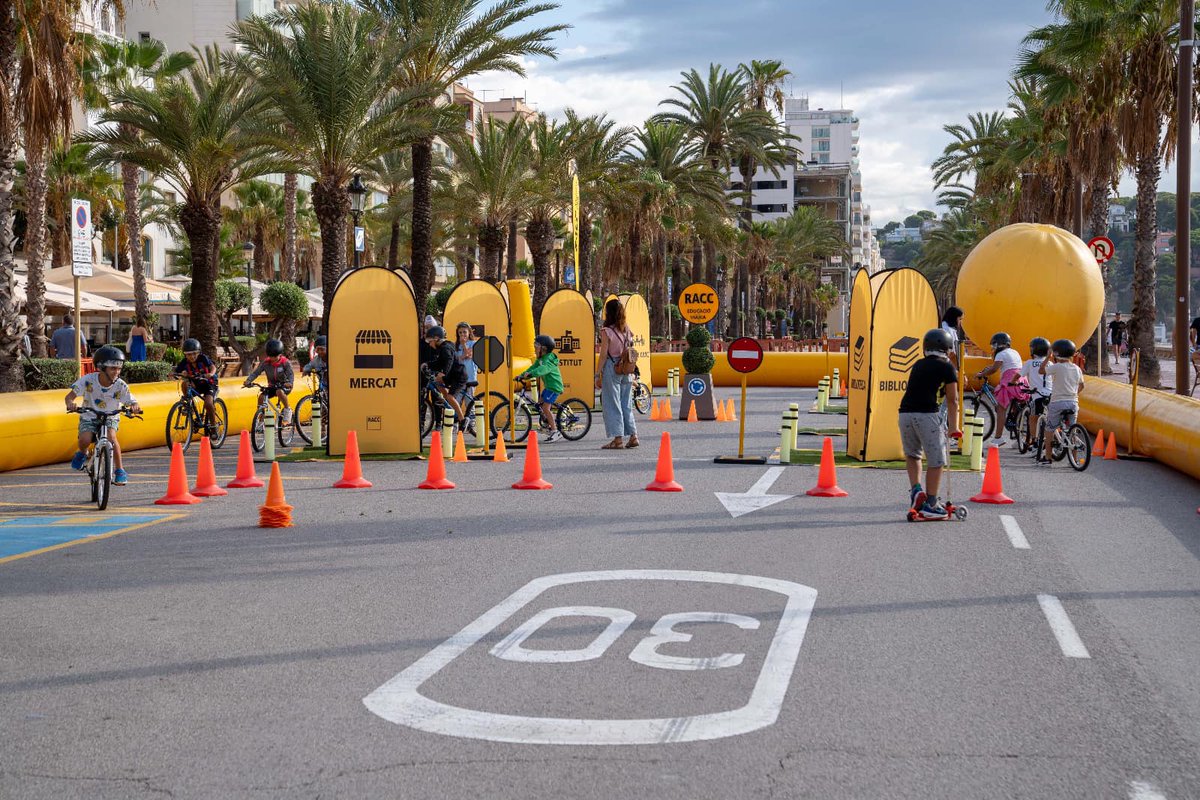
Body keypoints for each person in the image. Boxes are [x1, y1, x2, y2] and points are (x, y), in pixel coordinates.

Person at [898, 328, 961, 519]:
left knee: (913, 454)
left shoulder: (918, 364)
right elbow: (953, 399)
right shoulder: (947, 366)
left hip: (905, 414)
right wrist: (954, 427)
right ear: (947, 348)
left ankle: (916, 492)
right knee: (937, 461)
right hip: (926, 415)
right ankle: (931, 503)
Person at [65, 345, 141, 486]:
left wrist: (135, 406)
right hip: (90, 415)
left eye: (119, 368)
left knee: (112, 438)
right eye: (112, 368)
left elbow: (131, 400)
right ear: (101, 367)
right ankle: (82, 453)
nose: (116, 372)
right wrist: (70, 403)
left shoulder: (121, 385)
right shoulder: (88, 380)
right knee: (85, 439)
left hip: (111, 416)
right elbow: (69, 397)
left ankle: (119, 471)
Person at [597, 298, 638, 449]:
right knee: (626, 403)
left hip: (612, 367)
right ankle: (633, 436)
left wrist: (597, 374)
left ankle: (618, 439)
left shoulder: (607, 331)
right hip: (626, 368)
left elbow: (603, 355)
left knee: (612, 404)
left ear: (608, 313)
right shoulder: (626, 328)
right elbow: (630, 346)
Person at [1037, 339, 1085, 466]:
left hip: (1057, 402)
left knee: (1050, 429)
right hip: (1073, 402)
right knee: (1072, 430)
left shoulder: (1056, 367)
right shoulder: (1076, 368)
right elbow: (1082, 386)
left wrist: (1048, 357)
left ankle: (1048, 457)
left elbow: (1041, 371)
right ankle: (1074, 459)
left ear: (1056, 354)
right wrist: (1073, 394)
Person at [975, 332, 1023, 448]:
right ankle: (1020, 439)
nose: (993, 348)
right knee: (1016, 411)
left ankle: (998, 438)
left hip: (1009, 381)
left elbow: (994, 369)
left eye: (993, 345)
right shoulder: (1014, 352)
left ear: (998, 344)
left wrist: (981, 374)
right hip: (1020, 380)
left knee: (1001, 409)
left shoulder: (1001, 354)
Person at [517, 334, 565, 442]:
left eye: (536, 346)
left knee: (545, 408)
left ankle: (555, 431)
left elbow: (543, 369)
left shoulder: (548, 360)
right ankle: (546, 424)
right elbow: (533, 367)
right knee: (539, 405)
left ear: (543, 349)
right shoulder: (541, 359)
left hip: (554, 387)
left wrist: (531, 374)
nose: (534, 348)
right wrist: (521, 375)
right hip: (548, 387)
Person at [173, 338, 220, 432]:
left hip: (209, 384)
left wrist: (210, 374)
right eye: (189, 354)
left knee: (208, 403)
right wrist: (173, 374)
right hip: (196, 384)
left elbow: (213, 367)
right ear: (185, 355)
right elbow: (176, 371)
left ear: (198, 353)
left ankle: (214, 426)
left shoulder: (203, 359)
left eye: (194, 353)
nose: (192, 356)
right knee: (184, 384)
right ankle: (188, 404)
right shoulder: (184, 362)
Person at [421, 325, 466, 424]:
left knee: (450, 396)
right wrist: (427, 364)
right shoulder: (442, 348)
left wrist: (443, 373)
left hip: (459, 376)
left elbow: (448, 361)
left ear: (436, 338)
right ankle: (448, 403)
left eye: (430, 341)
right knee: (437, 382)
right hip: (453, 375)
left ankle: (463, 420)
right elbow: (440, 362)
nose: (429, 344)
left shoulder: (445, 348)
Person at [243, 339, 294, 424]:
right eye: (270, 356)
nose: (272, 358)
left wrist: (290, 383)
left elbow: (291, 374)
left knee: (279, 391)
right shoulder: (265, 363)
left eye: (274, 356)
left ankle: (287, 410)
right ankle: (261, 419)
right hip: (272, 386)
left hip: (284, 386)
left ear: (280, 355)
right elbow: (256, 373)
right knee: (261, 397)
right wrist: (248, 380)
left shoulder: (285, 363)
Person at [1020, 337, 1053, 455]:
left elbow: (1020, 374)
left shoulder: (1029, 363)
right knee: (1050, 418)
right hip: (1050, 394)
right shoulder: (1050, 363)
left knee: (1033, 418)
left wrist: (1014, 383)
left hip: (1037, 395)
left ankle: (1034, 442)